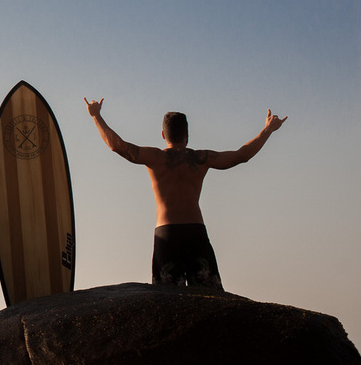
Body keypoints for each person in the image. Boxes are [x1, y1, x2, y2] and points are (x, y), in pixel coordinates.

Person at [83, 98, 287, 290]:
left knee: (168, 302)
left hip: (167, 234)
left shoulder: (155, 158)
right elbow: (240, 156)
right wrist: (267, 130)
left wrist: (96, 116)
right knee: (209, 299)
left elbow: (117, 146)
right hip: (195, 233)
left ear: (163, 135)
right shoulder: (200, 158)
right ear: (187, 135)